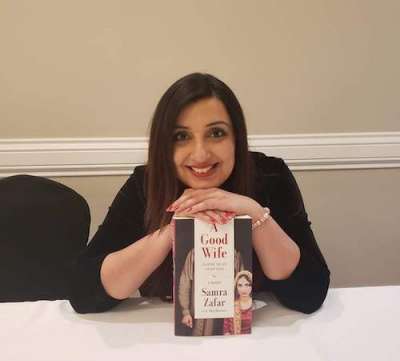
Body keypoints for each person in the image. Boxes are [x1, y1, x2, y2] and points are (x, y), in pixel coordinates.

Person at [69, 72, 330, 315]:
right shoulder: (146, 184)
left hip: (259, 339)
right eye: (181, 136)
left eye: (216, 133)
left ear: (236, 138)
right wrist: (169, 234)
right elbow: (83, 293)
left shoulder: (270, 176)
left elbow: (310, 293)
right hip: (168, 343)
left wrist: (254, 214)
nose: (200, 154)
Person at [178, 248, 245, 336]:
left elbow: (241, 284)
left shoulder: (234, 255)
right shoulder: (195, 253)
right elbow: (185, 282)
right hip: (200, 314)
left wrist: (240, 310)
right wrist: (185, 311)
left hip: (226, 314)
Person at [223, 271, 253, 335]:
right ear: (236, 287)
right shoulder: (231, 306)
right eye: (240, 285)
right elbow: (226, 330)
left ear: (251, 286)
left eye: (247, 285)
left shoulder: (255, 304)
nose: (243, 289)